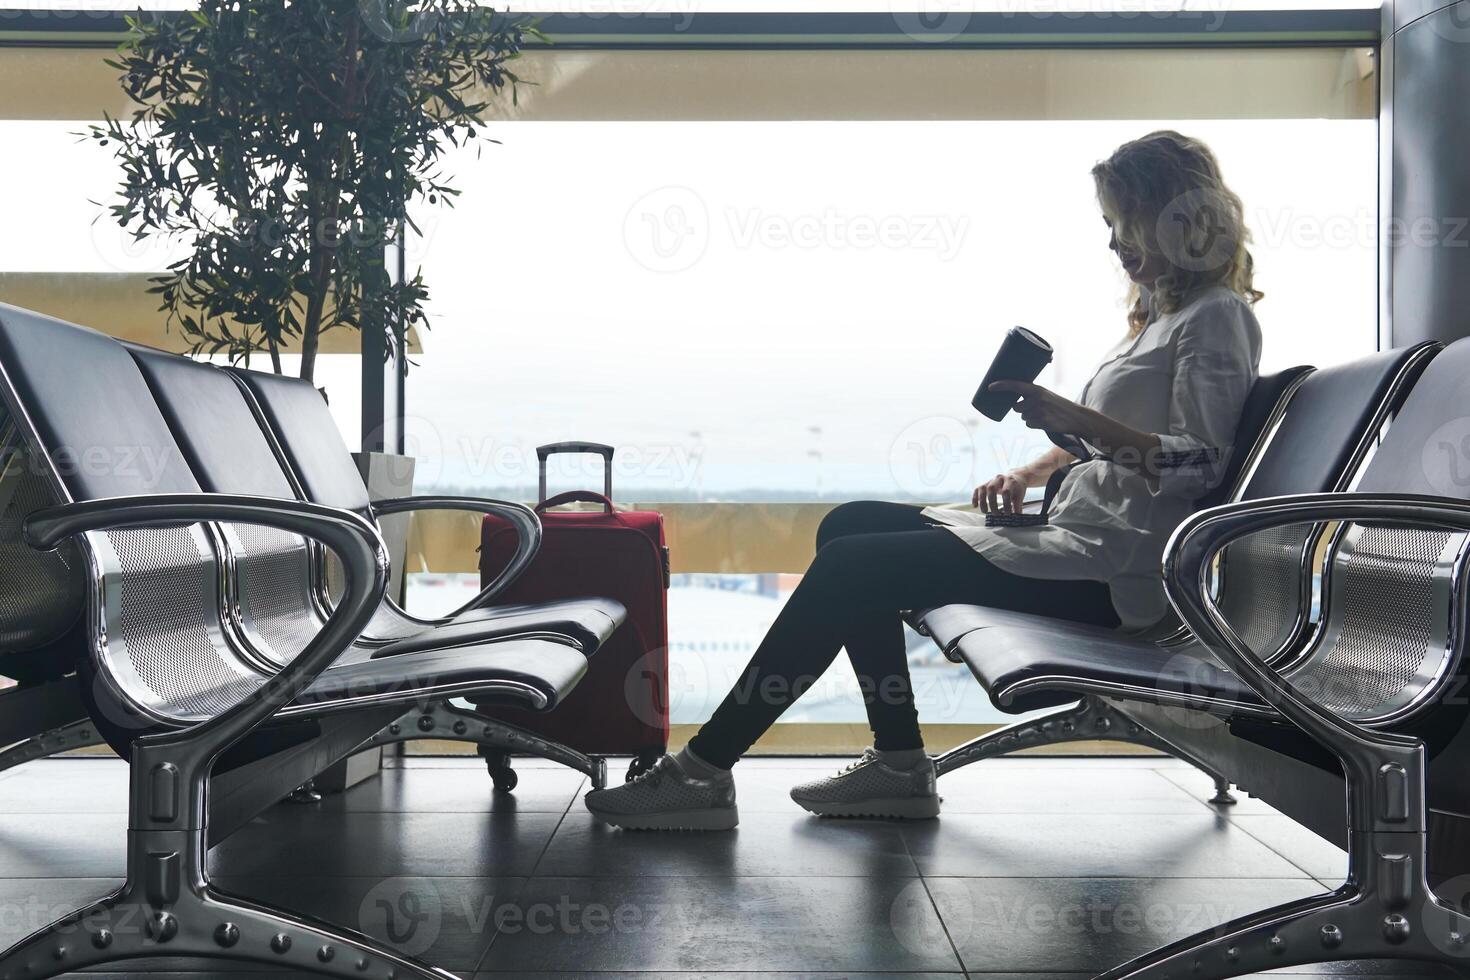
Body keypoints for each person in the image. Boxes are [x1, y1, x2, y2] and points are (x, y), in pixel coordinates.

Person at [585, 130, 1264, 831]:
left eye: (1123, 224)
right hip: (1077, 537)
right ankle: (901, 763)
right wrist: (1031, 469)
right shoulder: (1159, 320)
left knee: (853, 564)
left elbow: (1202, 465)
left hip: (1114, 574)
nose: (1114, 244)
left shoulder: (1219, 318)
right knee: (845, 524)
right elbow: (1113, 450)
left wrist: (1070, 413)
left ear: (1173, 219)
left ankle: (701, 773)